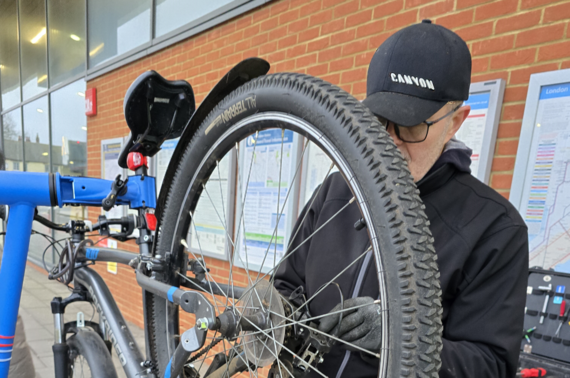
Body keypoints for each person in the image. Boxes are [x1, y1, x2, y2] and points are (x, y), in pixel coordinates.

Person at [274, 20, 529, 377]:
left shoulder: (496, 227)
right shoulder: (335, 190)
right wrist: (278, 313)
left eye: (410, 127)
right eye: (378, 121)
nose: (389, 142)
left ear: (455, 121)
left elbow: (491, 365)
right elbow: (286, 284)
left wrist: (404, 337)